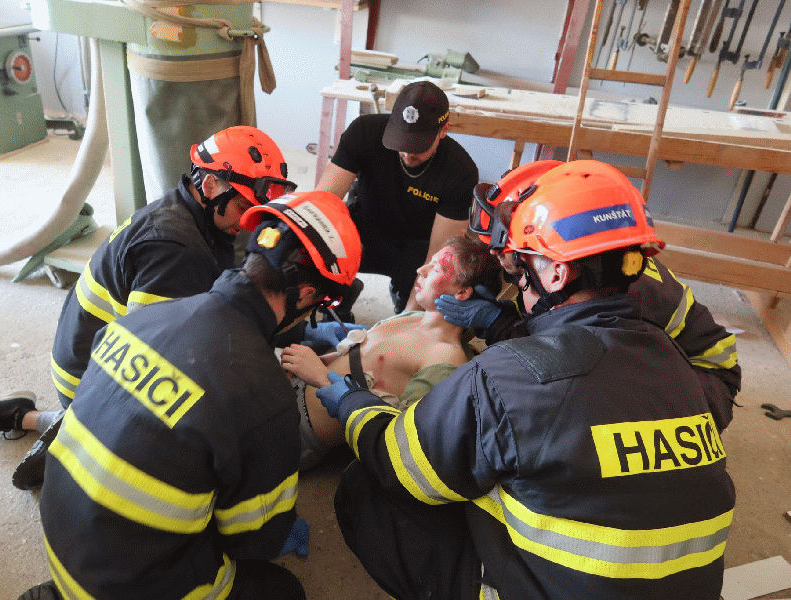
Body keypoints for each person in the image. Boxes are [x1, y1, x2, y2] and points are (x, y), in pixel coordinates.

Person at [319, 160, 736, 600]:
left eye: (519, 268)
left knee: (366, 487)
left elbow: (400, 462)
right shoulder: (673, 360)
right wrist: (503, 326)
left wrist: (353, 404)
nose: (512, 276)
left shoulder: (505, 378)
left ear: (556, 272)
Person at [18, 190, 362, 600]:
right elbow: (254, 541)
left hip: (61, 539)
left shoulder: (144, 317)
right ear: (305, 295)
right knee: (283, 590)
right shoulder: (267, 398)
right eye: (322, 303)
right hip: (130, 585)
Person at [0, 126, 297, 489]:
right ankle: (82, 443)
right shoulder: (177, 250)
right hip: (87, 380)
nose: (247, 223)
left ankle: (36, 420)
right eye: (242, 207)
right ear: (209, 185)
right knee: (211, 430)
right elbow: (156, 360)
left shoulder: (192, 216)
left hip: (82, 359)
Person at [437, 160, 741, 431]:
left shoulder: (621, 291)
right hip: (662, 361)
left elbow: (560, 355)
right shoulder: (588, 262)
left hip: (705, 384)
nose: (496, 255)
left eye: (502, 247)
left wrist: (498, 323)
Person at [280, 234, 500, 469]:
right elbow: (364, 357)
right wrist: (321, 361)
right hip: (292, 389)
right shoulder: (415, 316)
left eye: (435, 268)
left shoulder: (445, 360)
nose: (420, 270)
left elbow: (399, 439)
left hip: (297, 431)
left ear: (462, 293)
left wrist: (319, 376)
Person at [316, 79, 478, 314]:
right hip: (364, 229)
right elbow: (320, 205)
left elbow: (437, 257)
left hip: (417, 247)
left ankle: (403, 297)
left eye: (419, 145)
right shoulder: (363, 132)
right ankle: (340, 300)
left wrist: (405, 320)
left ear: (443, 130)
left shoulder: (460, 171)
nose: (408, 152)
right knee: (318, 242)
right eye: (401, 140)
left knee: (427, 297)